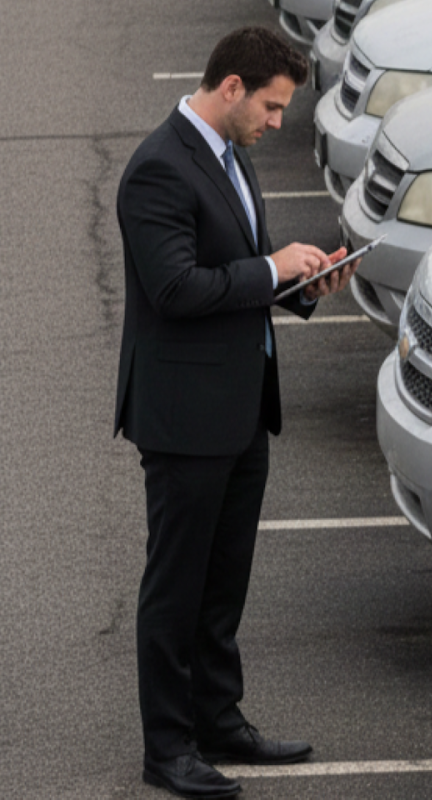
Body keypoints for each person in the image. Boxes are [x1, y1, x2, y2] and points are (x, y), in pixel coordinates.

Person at [114, 26, 355, 799]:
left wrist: (300, 284)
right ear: (230, 88)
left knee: (223, 583)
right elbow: (177, 290)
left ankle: (220, 720)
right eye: (273, 107)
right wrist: (267, 266)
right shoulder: (157, 169)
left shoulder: (229, 154)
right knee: (176, 586)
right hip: (184, 417)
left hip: (242, 408)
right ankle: (168, 749)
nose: (278, 123)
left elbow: (236, 278)